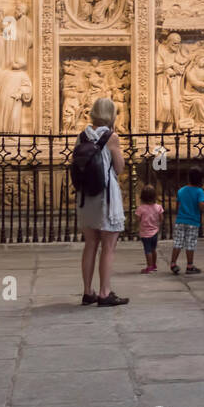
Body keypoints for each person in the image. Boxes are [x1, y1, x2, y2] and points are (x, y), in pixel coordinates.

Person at [78, 97, 128, 306]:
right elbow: (119, 168)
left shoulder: (82, 136)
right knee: (108, 246)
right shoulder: (111, 137)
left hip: (86, 196)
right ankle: (104, 293)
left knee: (90, 244)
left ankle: (87, 291)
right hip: (106, 196)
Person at [170, 167, 204, 275]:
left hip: (180, 220)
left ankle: (173, 263)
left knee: (178, 242)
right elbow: (201, 206)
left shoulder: (181, 190)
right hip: (193, 221)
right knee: (190, 244)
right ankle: (190, 265)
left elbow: (178, 206)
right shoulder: (199, 191)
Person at [136, 186, 163, 274]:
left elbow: (138, 219)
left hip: (145, 233)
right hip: (155, 231)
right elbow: (161, 218)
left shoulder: (141, 208)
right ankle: (154, 265)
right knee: (153, 249)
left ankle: (149, 267)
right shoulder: (158, 207)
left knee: (147, 250)